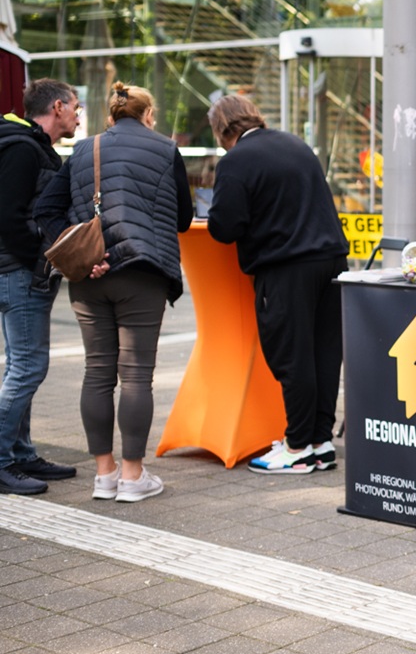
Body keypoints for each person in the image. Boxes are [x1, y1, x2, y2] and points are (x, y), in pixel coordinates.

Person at [34, 82, 192, 503]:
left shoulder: (84, 150)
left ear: (110, 115)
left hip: (89, 276)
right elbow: (183, 218)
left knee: (98, 372)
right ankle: (133, 477)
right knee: (136, 375)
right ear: (148, 115)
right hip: (143, 272)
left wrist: (83, 252)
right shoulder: (166, 149)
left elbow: (45, 209)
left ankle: (104, 476)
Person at [206, 95, 349, 475]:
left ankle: (296, 446)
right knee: (324, 355)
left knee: (292, 357)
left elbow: (224, 227)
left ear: (221, 129)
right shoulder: (295, 144)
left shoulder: (235, 161)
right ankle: (321, 443)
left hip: (287, 267)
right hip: (333, 261)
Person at [0, 79, 81, 495]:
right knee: (28, 367)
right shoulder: (23, 149)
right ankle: (2, 460)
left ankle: (21, 453)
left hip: (20, 270)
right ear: (58, 107)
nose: (79, 116)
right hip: (20, 272)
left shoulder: (30, 146)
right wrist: (39, 256)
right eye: (75, 107)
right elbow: (9, 216)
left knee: (21, 365)